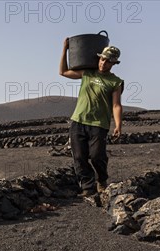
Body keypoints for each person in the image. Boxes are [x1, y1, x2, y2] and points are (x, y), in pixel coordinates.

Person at [60, 40, 124, 197]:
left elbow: (116, 105)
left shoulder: (115, 82)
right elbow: (63, 72)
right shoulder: (87, 73)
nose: (104, 63)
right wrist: (65, 49)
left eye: (108, 61)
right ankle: (87, 188)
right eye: (103, 59)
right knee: (79, 157)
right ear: (99, 58)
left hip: (99, 124)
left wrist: (118, 125)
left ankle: (102, 179)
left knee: (97, 156)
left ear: (114, 63)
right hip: (78, 121)